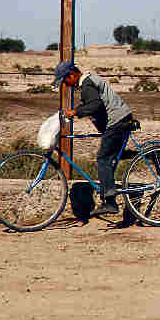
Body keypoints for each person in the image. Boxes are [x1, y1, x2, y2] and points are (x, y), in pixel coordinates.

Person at [53, 61, 134, 216]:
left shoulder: (87, 85)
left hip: (117, 121)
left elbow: (95, 105)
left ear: (72, 74)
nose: (66, 84)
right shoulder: (89, 81)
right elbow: (94, 105)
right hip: (121, 118)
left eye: (65, 80)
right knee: (116, 154)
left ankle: (110, 202)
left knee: (103, 159)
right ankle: (154, 155)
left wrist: (74, 112)